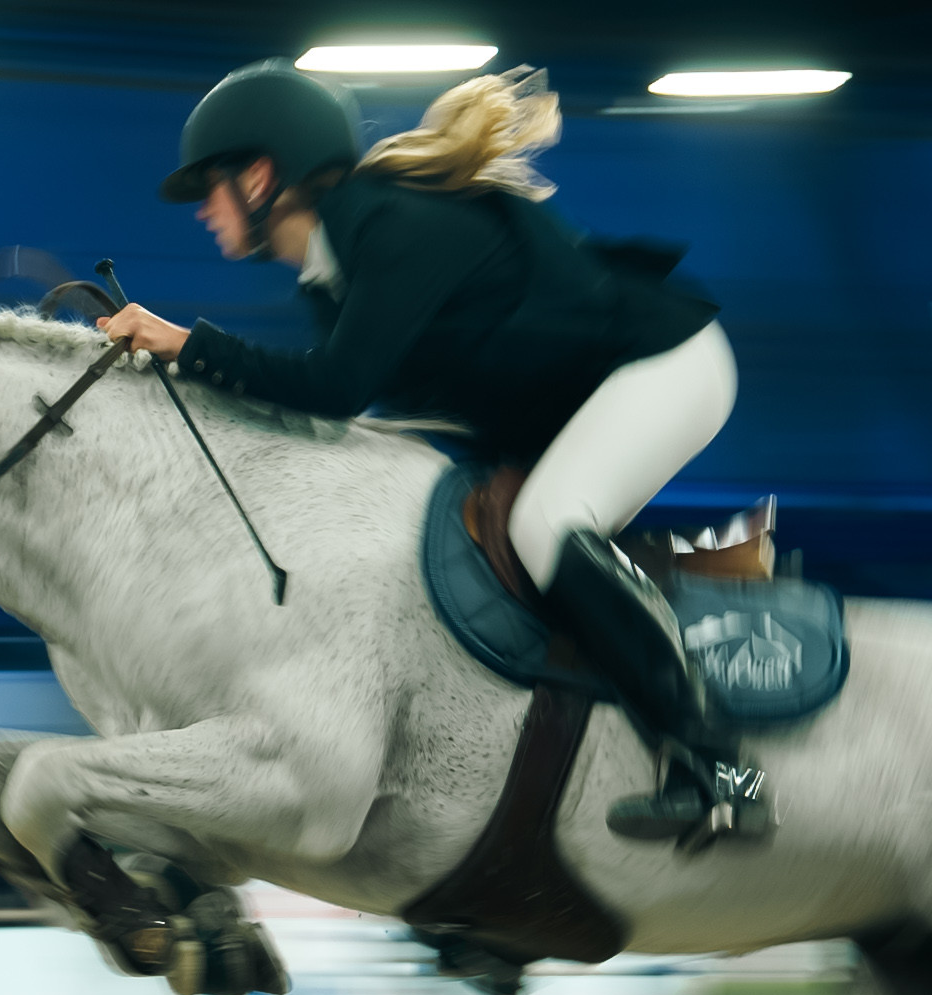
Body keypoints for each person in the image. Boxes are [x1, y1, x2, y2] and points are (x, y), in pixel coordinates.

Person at [97, 60, 760, 845]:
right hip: (578, 397)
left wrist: (186, 345)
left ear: (261, 176)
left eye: (210, 186)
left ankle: (723, 771)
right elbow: (340, 404)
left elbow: (336, 388)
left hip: (666, 366)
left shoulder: (388, 225)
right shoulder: (331, 271)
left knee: (545, 525)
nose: (202, 210)